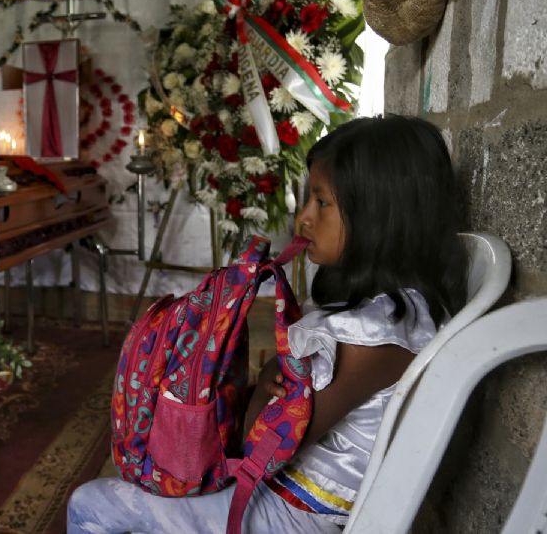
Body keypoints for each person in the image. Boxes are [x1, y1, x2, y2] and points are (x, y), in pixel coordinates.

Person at [66, 115, 469, 533]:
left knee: (91, 504)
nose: (305, 219)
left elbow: (263, 442)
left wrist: (265, 380)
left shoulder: (376, 335)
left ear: (379, 216)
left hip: (296, 513)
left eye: (322, 202)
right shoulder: (396, 312)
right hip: (288, 496)